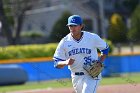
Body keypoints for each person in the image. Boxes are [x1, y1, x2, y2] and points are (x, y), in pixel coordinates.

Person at [53, 15, 109, 93]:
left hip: (91, 74)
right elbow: (56, 63)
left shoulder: (92, 37)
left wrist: (100, 62)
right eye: (70, 26)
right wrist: (65, 62)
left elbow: (105, 48)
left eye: (75, 25)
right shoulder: (64, 42)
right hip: (75, 77)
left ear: (81, 26)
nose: (72, 28)